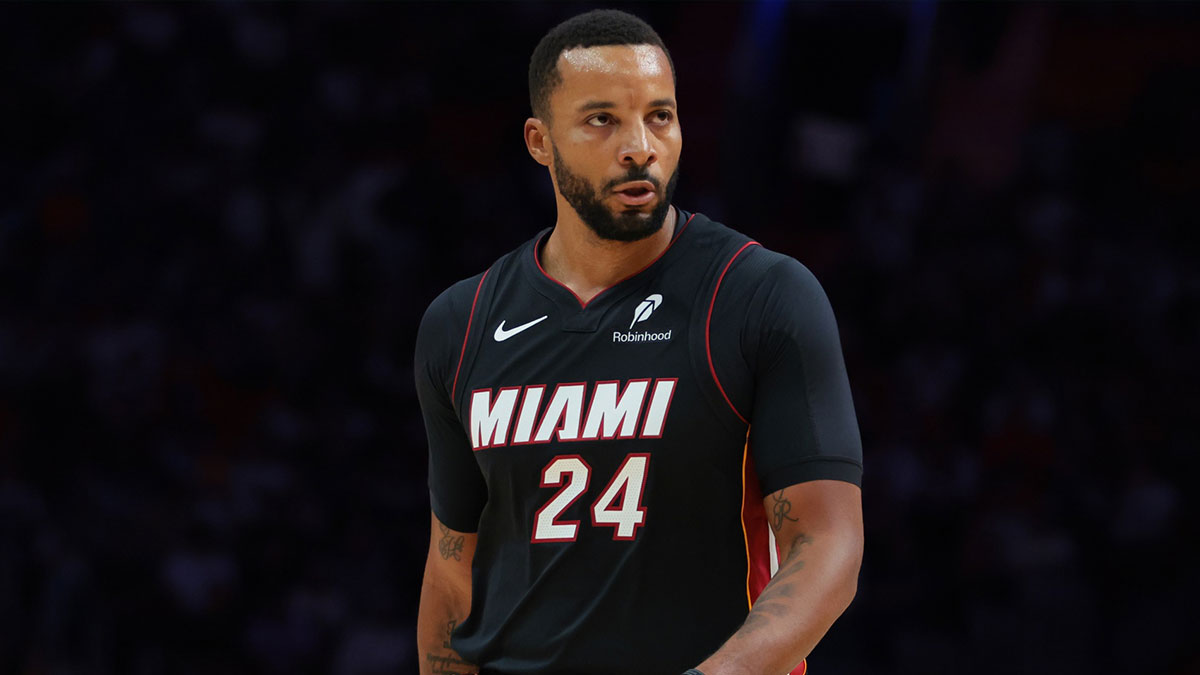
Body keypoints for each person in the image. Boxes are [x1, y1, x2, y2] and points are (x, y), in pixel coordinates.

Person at [415, 9, 863, 675]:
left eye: (660, 116)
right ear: (540, 141)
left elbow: (827, 545)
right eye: (603, 119)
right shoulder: (463, 321)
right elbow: (454, 572)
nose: (639, 146)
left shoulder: (761, 295)